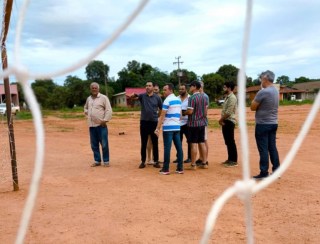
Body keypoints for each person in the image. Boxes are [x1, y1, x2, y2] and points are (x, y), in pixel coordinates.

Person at [251, 70, 280, 179]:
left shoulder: (263, 92)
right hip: (273, 122)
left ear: (265, 79)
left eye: (261, 78)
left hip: (263, 124)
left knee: (263, 149)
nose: (261, 81)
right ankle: (276, 170)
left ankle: (264, 172)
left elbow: (252, 107)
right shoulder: (276, 91)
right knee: (272, 147)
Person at [131, 81, 162, 169]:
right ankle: (143, 161)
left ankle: (156, 161)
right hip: (144, 122)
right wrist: (133, 95)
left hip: (154, 123)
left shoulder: (157, 97)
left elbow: (161, 108)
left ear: (153, 87)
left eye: (149, 86)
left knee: (155, 142)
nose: (147, 87)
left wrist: (157, 116)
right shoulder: (142, 96)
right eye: (146, 86)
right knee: (143, 142)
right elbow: (135, 97)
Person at [155, 83, 183, 175]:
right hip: (177, 127)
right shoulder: (178, 100)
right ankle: (180, 168)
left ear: (170, 90)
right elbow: (180, 115)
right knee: (179, 147)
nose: (163, 91)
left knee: (167, 148)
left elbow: (162, 115)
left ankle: (166, 169)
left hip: (168, 128)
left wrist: (158, 128)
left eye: (165, 90)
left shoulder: (167, 100)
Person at [84, 82, 112, 167]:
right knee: (94, 145)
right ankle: (97, 160)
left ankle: (106, 161)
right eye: (92, 88)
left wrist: (105, 120)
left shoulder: (103, 98)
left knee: (104, 144)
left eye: (95, 88)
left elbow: (108, 110)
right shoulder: (89, 99)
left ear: (98, 89)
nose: (94, 89)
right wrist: (87, 112)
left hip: (101, 126)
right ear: (90, 89)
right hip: (91, 126)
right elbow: (85, 107)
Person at [185, 81, 208, 170]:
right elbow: (205, 112)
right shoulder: (204, 97)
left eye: (190, 86)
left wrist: (184, 112)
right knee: (202, 142)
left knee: (193, 144)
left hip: (193, 124)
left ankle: (193, 164)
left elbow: (190, 111)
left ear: (194, 87)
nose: (190, 88)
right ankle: (204, 163)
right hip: (202, 123)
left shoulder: (192, 98)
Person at [219, 81, 238, 167]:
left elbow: (229, 112)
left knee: (230, 141)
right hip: (226, 121)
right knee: (228, 141)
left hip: (229, 121)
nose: (224, 89)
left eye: (225, 87)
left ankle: (233, 160)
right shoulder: (227, 97)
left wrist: (221, 119)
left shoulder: (232, 98)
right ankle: (230, 159)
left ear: (229, 88)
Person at [173, 83, 191, 163]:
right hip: (178, 123)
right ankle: (179, 157)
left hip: (188, 123)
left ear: (186, 89)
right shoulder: (177, 98)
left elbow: (191, 110)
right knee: (178, 141)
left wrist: (183, 113)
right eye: (179, 89)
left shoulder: (190, 98)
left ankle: (190, 157)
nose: (180, 90)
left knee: (189, 141)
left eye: (182, 89)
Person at [146, 83, 161, 165]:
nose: (155, 91)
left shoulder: (159, 98)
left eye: (156, 90)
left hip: (157, 121)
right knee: (149, 140)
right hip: (150, 121)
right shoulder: (148, 97)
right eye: (154, 89)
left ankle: (155, 158)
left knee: (155, 140)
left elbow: (161, 110)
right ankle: (149, 158)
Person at [195, 81, 209, 166]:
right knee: (200, 140)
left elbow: (205, 111)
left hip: (202, 122)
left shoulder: (204, 96)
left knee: (204, 140)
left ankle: (205, 159)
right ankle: (201, 158)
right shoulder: (198, 96)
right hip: (198, 122)